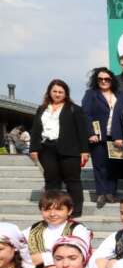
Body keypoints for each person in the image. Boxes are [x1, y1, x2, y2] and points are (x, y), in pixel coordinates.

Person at [29, 79, 90, 217]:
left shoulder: (74, 109)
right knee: (51, 181)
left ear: (66, 93)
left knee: (72, 181)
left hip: (70, 149)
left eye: (60, 92)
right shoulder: (42, 109)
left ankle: (75, 211)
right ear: (49, 92)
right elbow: (36, 130)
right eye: (54, 91)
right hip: (47, 149)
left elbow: (82, 131)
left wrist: (84, 151)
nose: (57, 94)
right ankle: (53, 209)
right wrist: (33, 149)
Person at [22, 190, 92, 268]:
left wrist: (43, 258)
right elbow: (17, 246)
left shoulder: (78, 229)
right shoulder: (34, 229)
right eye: (47, 210)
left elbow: (79, 255)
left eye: (59, 209)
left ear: (69, 211)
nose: (52, 214)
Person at [82, 67, 123, 208]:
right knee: (99, 165)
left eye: (107, 79)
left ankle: (111, 192)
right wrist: (90, 133)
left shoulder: (120, 95)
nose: (103, 81)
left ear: (112, 80)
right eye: (100, 79)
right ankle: (101, 193)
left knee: (114, 165)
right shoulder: (91, 94)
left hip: (116, 136)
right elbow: (86, 115)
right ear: (96, 80)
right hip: (98, 136)